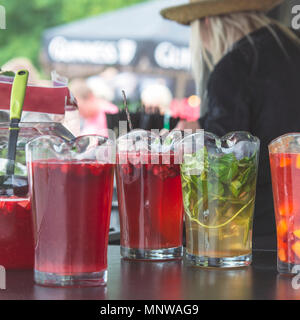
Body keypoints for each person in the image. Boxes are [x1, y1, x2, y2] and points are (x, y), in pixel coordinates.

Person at [161, 0, 300, 249]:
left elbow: (222, 169)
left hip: (258, 238)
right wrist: (203, 125)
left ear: (206, 23)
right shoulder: (291, 46)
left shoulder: (235, 66)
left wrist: (193, 142)